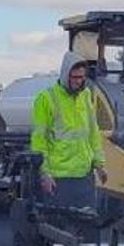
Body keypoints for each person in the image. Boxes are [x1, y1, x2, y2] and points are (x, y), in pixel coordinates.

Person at [30, 52, 105, 210]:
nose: (79, 81)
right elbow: (39, 141)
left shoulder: (85, 96)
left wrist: (99, 164)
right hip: (59, 179)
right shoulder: (46, 99)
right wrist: (45, 174)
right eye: (75, 77)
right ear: (65, 75)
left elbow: (93, 133)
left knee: (88, 228)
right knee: (59, 229)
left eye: (81, 77)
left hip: (84, 177)